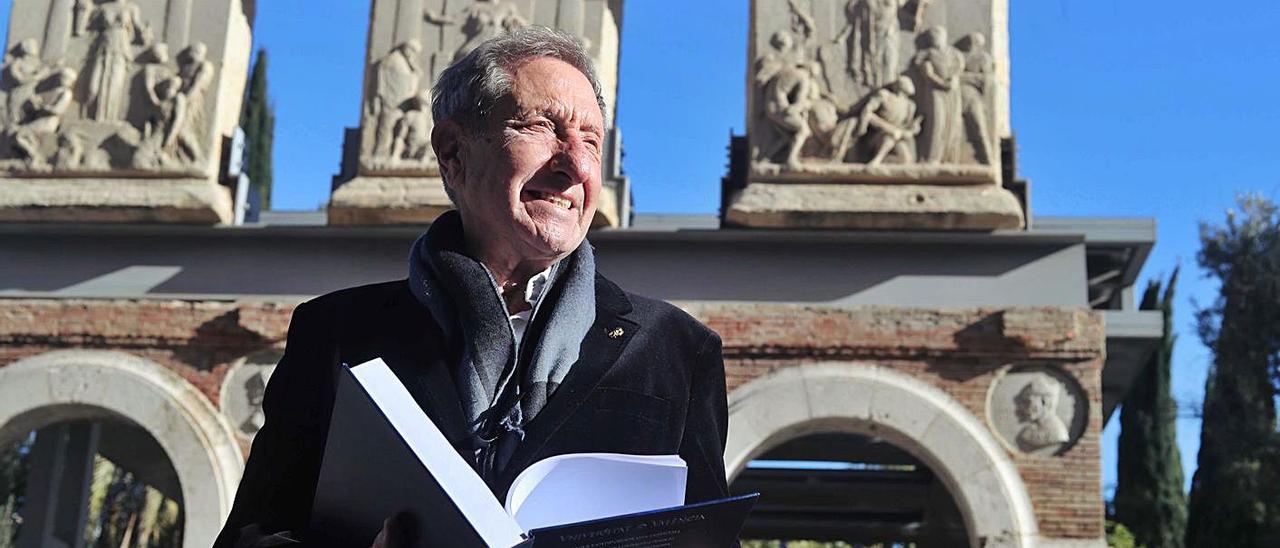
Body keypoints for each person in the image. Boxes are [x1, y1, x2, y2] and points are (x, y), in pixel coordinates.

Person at [214, 27, 730, 548]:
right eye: (541, 127)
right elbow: (250, 534)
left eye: (592, 142)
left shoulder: (677, 351)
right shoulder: (336, 333)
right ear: (453, 151)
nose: (574, 166)